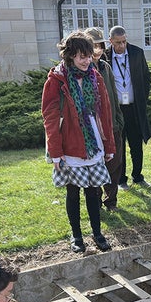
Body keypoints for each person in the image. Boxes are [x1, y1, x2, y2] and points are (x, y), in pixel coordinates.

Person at [42, 31, 116, 253]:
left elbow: (105, 113)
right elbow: (50, 117)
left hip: (93, 143)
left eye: (88, 55)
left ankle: (97, 233)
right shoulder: (56, 80)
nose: (86, 61)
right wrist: (55, 152)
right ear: (70, 56)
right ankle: (76, 237)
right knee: (72, 192)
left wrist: (109, 145)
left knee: (93, 191)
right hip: (70, 145)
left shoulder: (96, 76)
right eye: (81, 56)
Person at [105, 26, 151, 189]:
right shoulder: (105, 57)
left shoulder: (137, 53)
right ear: (111, 41)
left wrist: (142, 99)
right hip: (116, 110)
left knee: (136, 144)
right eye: (118, 43)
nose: (122, 45)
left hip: (134, 107)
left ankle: (138, 176)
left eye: (124, 41)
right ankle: (121, 179)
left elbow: (146, 77)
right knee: (119, 145)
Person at [84, 27, 125, 212]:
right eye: (94, 46)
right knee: (95, 166)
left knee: (115, 164)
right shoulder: (83, 69)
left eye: (100, 46)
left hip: (112, 125)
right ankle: (96, 202)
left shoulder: (105, 66)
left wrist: (118, 118)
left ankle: (111, 200)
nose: (98, 50)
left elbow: (113, 96)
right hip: (93, 127)